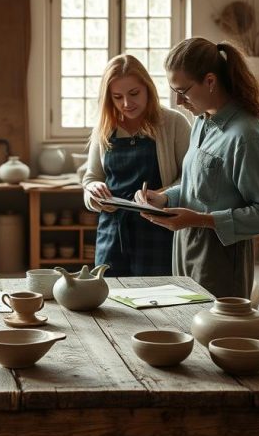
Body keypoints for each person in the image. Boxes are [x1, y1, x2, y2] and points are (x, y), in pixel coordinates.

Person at [134, 38, 259, 299]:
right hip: (184, 250)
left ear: (211, 81)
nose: (178, 101)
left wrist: (200, 220)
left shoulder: (247, 135)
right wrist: (165, 197)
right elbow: (201, 188)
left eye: (183, 91)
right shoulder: (202, 122)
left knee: (215, 337)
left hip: (221, 262)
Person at [81, 55, 191, 277]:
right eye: (117, 97)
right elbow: (91, 178)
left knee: (159, 301)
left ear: (148, 88)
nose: (126, 104)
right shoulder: (104, 128)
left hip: (160, 232)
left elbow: (191, 179)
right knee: (110, 300)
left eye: (134, 94)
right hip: (111, 234)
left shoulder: (173, 123)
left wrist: (164, 196)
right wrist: (93, 195)